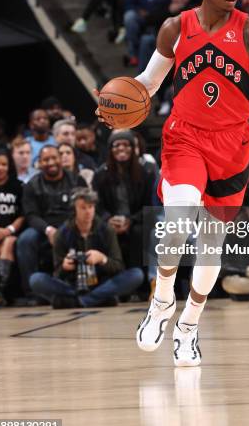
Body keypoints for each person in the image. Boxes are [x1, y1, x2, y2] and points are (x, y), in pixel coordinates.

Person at [95, 0, 249, 366]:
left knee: (210, 245)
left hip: (233, 146)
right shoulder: (175, 28)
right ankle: (162, 300)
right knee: (178, 221)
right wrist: (117, 105)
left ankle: (189, 326)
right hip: (184, 138)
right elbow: (148, 83)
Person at [29, 188, 144, 308]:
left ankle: (78, 301)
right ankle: (97, 299)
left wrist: (102, 259)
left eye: (91, 207)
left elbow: (119, 267)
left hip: (102, 283)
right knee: (36, 279)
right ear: (75, 209)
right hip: (73, 285)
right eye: (83, 208)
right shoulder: (62, 233)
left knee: (136, 274)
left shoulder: (106, 230)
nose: (88, 211)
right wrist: (64, 266)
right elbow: (57, 273)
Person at [16, 145, 86, 304]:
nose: (51, 162)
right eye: (46, 159)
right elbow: (31, 215)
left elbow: (85, 207)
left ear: (60, 159)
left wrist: (65, 229)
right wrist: (47, 230)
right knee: (25, 240)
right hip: (43, 229)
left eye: (54, 157)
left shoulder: (76, 179)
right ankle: (32, 294)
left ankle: (82, 286)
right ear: (39, 163)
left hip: (72, 227)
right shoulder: (32, 185)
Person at [92, 130, 154, 274]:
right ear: (110, 150)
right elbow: (97, 205)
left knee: (139, 232)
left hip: (137, 221)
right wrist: (109, 219)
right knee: (104, 231)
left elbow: (149, 206)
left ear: (133, 149)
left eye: (126, 145)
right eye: (116, 145)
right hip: (110, 221)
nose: (121, 148)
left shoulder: (146, 173)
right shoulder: (100, 175)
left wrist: (130, 221)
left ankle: (139, 282)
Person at [0, 148, 24, 309]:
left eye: (3, 164)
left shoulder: (18, 186)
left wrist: (8, 230)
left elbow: (23, 215)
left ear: (9, 166)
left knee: (8, 244)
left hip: (8, 233)